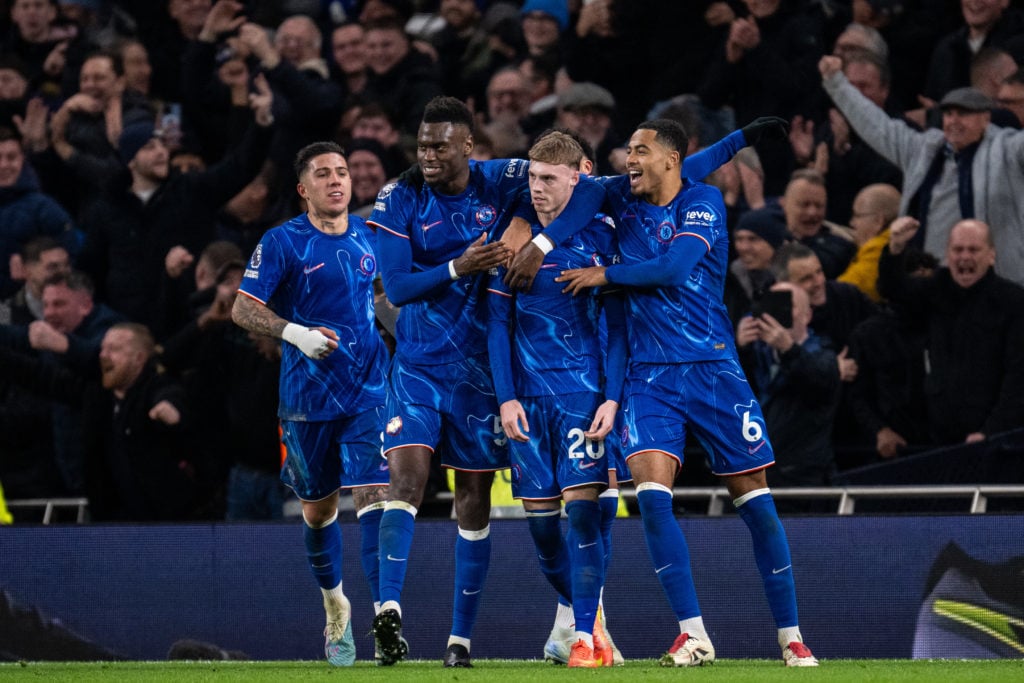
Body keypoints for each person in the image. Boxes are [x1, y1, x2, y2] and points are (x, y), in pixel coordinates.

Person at [556, 118, 818, 667]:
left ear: (671, 159)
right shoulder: (621, 202)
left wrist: (605, 275)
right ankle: (693, 634)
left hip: (714, 369)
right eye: (626, 149)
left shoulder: (702, 201)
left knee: (754, 501)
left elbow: (675, 268)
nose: (629, 158)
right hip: (650, 377)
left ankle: (791, 636)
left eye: (640, 149)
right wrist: (740, 138)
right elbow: (559, 186)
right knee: (651, 498)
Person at [366, 95, 602, 668]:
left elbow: (592, 191)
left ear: (468, 147)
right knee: (408, 478)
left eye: (439, 145)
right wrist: (458, 267)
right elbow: (395, 289)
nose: (427, 154)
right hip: (419, 365)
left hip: (482, 375)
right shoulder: (399, 198)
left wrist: (537, 238)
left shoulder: (504, 179)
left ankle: (459, 641)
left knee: (473, 499)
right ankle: (387, 611)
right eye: (421, 144)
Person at [231, 141, 390, 666]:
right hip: (305, 400)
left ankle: (385, 613)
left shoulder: (370, 236)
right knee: (320, 510)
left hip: (369, 388)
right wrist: (294, 332)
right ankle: (335, 605)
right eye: (323, 174)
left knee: (375, 496)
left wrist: (409, 334)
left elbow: (384, 295)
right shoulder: (282, 242)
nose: (337, 180)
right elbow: (242, 308)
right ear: (304, 189)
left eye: (342, 172)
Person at [487, 131, 626, 668]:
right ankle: (579, 619)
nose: (538, 189)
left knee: (586, 518)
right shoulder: (513, 238)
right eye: (532, 179)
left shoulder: (600, 237)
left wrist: (611, 398)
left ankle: (586, 637)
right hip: (527, 401)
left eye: (549, 178)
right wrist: (505, 398)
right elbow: (497, 323)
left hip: (582, 396)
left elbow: (616, 326)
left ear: (577, 176)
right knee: (545, 532)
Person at [820, 53, 1024, 287]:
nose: (954, 121)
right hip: (931, 283)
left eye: (964, 114)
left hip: (996, 286)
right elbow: (876, 125)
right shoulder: (925, 150)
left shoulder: (1008, 149)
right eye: (949, 114)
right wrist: (836, 82)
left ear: (985, 118)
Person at [879, 217, 1024, 445]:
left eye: (974, 249)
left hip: (994, 436)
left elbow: (1019, 376)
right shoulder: (937, 287)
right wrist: (895, 250)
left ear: (991, 255)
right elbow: (896, 291)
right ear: (948, 254)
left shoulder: (1014, 301)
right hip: (940, 435)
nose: (965, 256)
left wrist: (991, 431)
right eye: (958, 249)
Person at [736, 282, 842, 489]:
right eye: (772, 305)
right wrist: (737, 349)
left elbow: (818, 381)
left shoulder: (823, 355)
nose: (777, 313)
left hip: (803, 479)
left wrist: (789, 350)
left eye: (787, 305)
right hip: (754, 474)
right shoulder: (755, 355)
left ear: (807, 315)